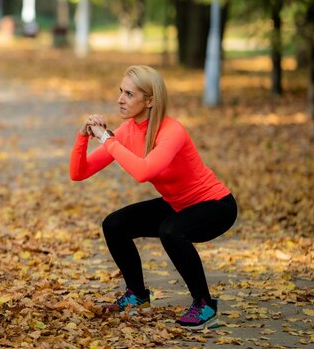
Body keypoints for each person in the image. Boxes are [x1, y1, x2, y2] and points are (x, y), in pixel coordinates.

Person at [69, 65, 237, 331]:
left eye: (129, 94)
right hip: (177, 203)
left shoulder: (172, 131)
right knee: (114, 224)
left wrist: (107, 140)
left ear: (149, 101)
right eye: (120, 92)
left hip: (216, 206)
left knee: (171, 230)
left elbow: (143, 171)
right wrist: (83, 137)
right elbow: (79, 173)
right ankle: (137, 295)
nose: (120, 99)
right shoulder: (126, 132)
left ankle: (204, 303)